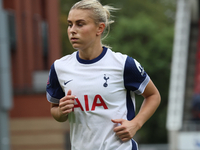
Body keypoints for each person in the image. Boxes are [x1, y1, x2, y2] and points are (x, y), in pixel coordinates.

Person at [46, 0, 161, 150]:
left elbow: (153, 96)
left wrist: (136, 123)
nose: (72, 30)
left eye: (80, 24)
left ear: (99, 28)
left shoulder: (123, 64)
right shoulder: (60, 67)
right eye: (70, 24)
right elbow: (55, 110)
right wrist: (61, 111)